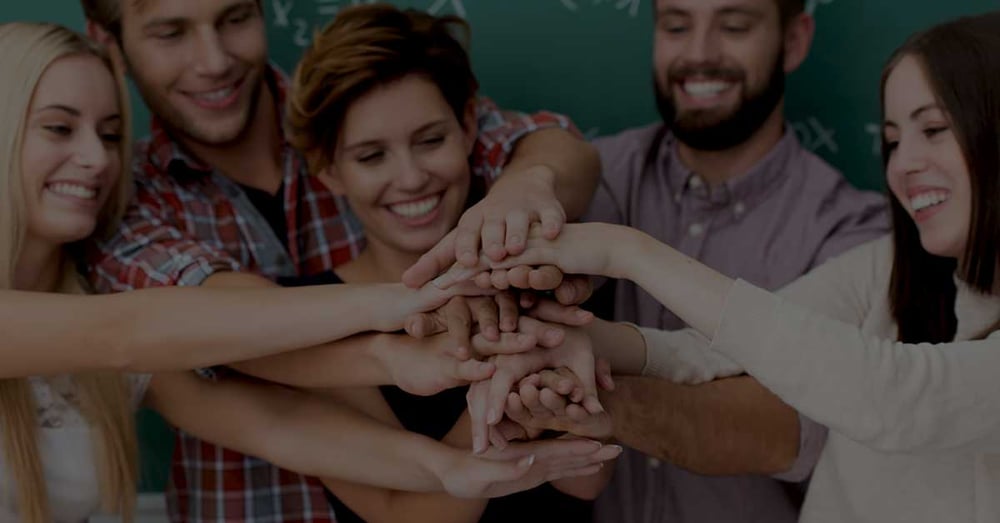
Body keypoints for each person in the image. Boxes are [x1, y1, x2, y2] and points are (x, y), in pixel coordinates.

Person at [455, 10, 1000, 523]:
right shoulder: (884, 266)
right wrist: (573, 343)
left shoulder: (845, 228)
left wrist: (626, 252)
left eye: (933, 130)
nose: (904, 164)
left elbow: (888, 397)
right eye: (892, 140)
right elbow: (709, 350)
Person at [79, 0, 602, 519]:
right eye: (171, 33)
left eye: (234, 19)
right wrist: (408, 326)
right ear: (109, 44)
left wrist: (528, 183)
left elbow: (551, 146)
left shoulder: (357, 98)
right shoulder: (121, 203)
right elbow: (222, 317)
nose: (214, 60)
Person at [280, 6, 615, 522]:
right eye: (372, 157)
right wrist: (508, 390)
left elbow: (588, 479)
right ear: (330, 172)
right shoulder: (312, 319)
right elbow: (400, 515)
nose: (411, 178)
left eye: (430, 140)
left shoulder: (545, 274)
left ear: (466, 127)